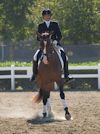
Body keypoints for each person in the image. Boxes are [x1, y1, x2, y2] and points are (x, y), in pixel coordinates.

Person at [30, 9, 73, 83]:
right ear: (43, 17)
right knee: (35, 56)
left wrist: (56, 41)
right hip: (45, 46)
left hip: (55, 44)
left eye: (48, 15)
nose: (47, 17)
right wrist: (42, 40)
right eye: (45, 15)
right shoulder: (40, 26)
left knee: (65, 56)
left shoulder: (55, 24)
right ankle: (34, 74)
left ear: (50, 16)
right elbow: (38, 38)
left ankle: (66, 75)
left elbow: (59, 35)